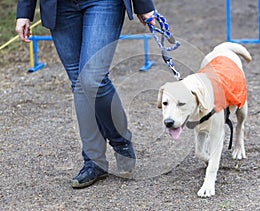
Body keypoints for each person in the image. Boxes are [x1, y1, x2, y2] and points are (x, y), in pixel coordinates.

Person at [16, 0, 156, 189]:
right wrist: (24, 12)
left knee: (92, 79)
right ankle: (94, 162)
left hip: (103, 3)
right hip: (59, 7)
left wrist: (143, 5)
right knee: (79, 83)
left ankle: (120, 140)